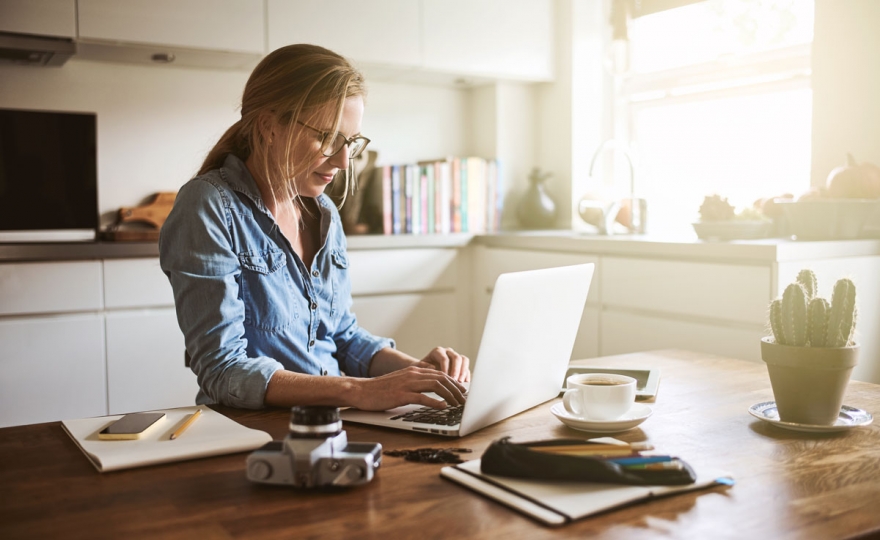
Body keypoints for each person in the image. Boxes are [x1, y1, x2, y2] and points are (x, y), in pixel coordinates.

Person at [159, 44, 469, 413]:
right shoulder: (209, 206)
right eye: (326, 138)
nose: (342, 161)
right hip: (252, 431)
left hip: (334, 423)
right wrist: (358, 391)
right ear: (269, 127)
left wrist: (420, 374)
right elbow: (222, 369)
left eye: (350, 143)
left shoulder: (324, 214)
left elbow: (342, 336)